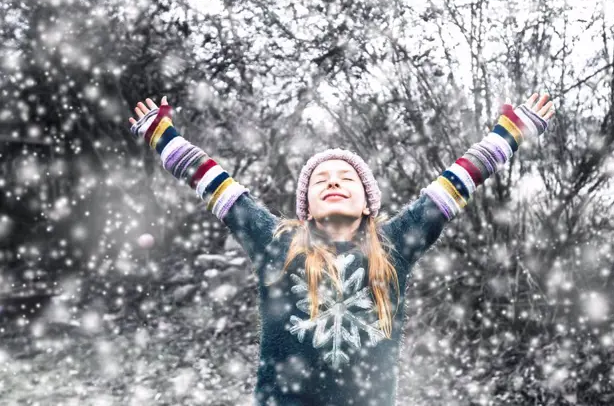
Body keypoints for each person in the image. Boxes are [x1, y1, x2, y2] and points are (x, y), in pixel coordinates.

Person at [128, 93, 555, 406]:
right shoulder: (277, 242)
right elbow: (217, 184)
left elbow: (458, 179)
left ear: (368, 202)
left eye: (347, 178)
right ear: (306, 208)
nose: (333, 181)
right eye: (321, 180)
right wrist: (162, 135)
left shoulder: (395, 243)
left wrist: (510, 131)